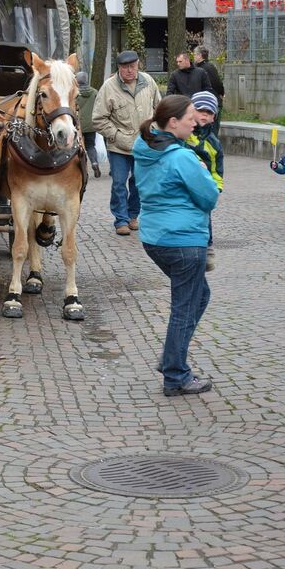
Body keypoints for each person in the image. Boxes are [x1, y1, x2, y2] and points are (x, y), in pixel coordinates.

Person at [133, 95, 219, 396]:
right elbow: (210, 197)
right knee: (185, 306)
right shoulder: (182, 157)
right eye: (190, 117)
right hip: (184, 241)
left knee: (199, 296)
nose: (195, 122)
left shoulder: (143, 146)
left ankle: (172, 357)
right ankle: (176, 375)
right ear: (173, 122)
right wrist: (204, 171)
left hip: (155, 239)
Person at [92, 50, 161, 236]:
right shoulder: (109, 87)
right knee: (119, 184)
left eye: (132, 66)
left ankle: (133, 216)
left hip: (144, 143)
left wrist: (153, 130)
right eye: (125, 67)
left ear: (138, 65)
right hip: (118, 146)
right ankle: (120, 220)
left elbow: (159, 109)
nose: (129, 71)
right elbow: (98, 119)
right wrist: (115, 136)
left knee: (139, 183)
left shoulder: (148, 82)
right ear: (119, 68)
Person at [186, 91, 224, 272]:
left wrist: (216, 187)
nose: (204, 115)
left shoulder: (214, 143)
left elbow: (217, 170)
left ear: (214, 117)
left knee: (204, 217)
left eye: (209, 113)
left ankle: (207, 247)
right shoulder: (185, 134)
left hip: (203, 187)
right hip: (185, 185)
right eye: (200, 110)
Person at [193, 46, 225, 135]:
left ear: (200, 55)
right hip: (204, 102)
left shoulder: (208, 67)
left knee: (212, 132)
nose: (194, 57)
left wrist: (220, 93)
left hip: (212, 102)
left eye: (195, 54)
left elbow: (217, 83)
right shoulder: (199, 67)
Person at [76, 71, 101, 178]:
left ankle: (82, 169)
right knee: (91, 145)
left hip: (78, 125)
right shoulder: (95, 92)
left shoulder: (74, 93)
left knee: (78, 147)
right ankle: (94, 163)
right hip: (91, 124)